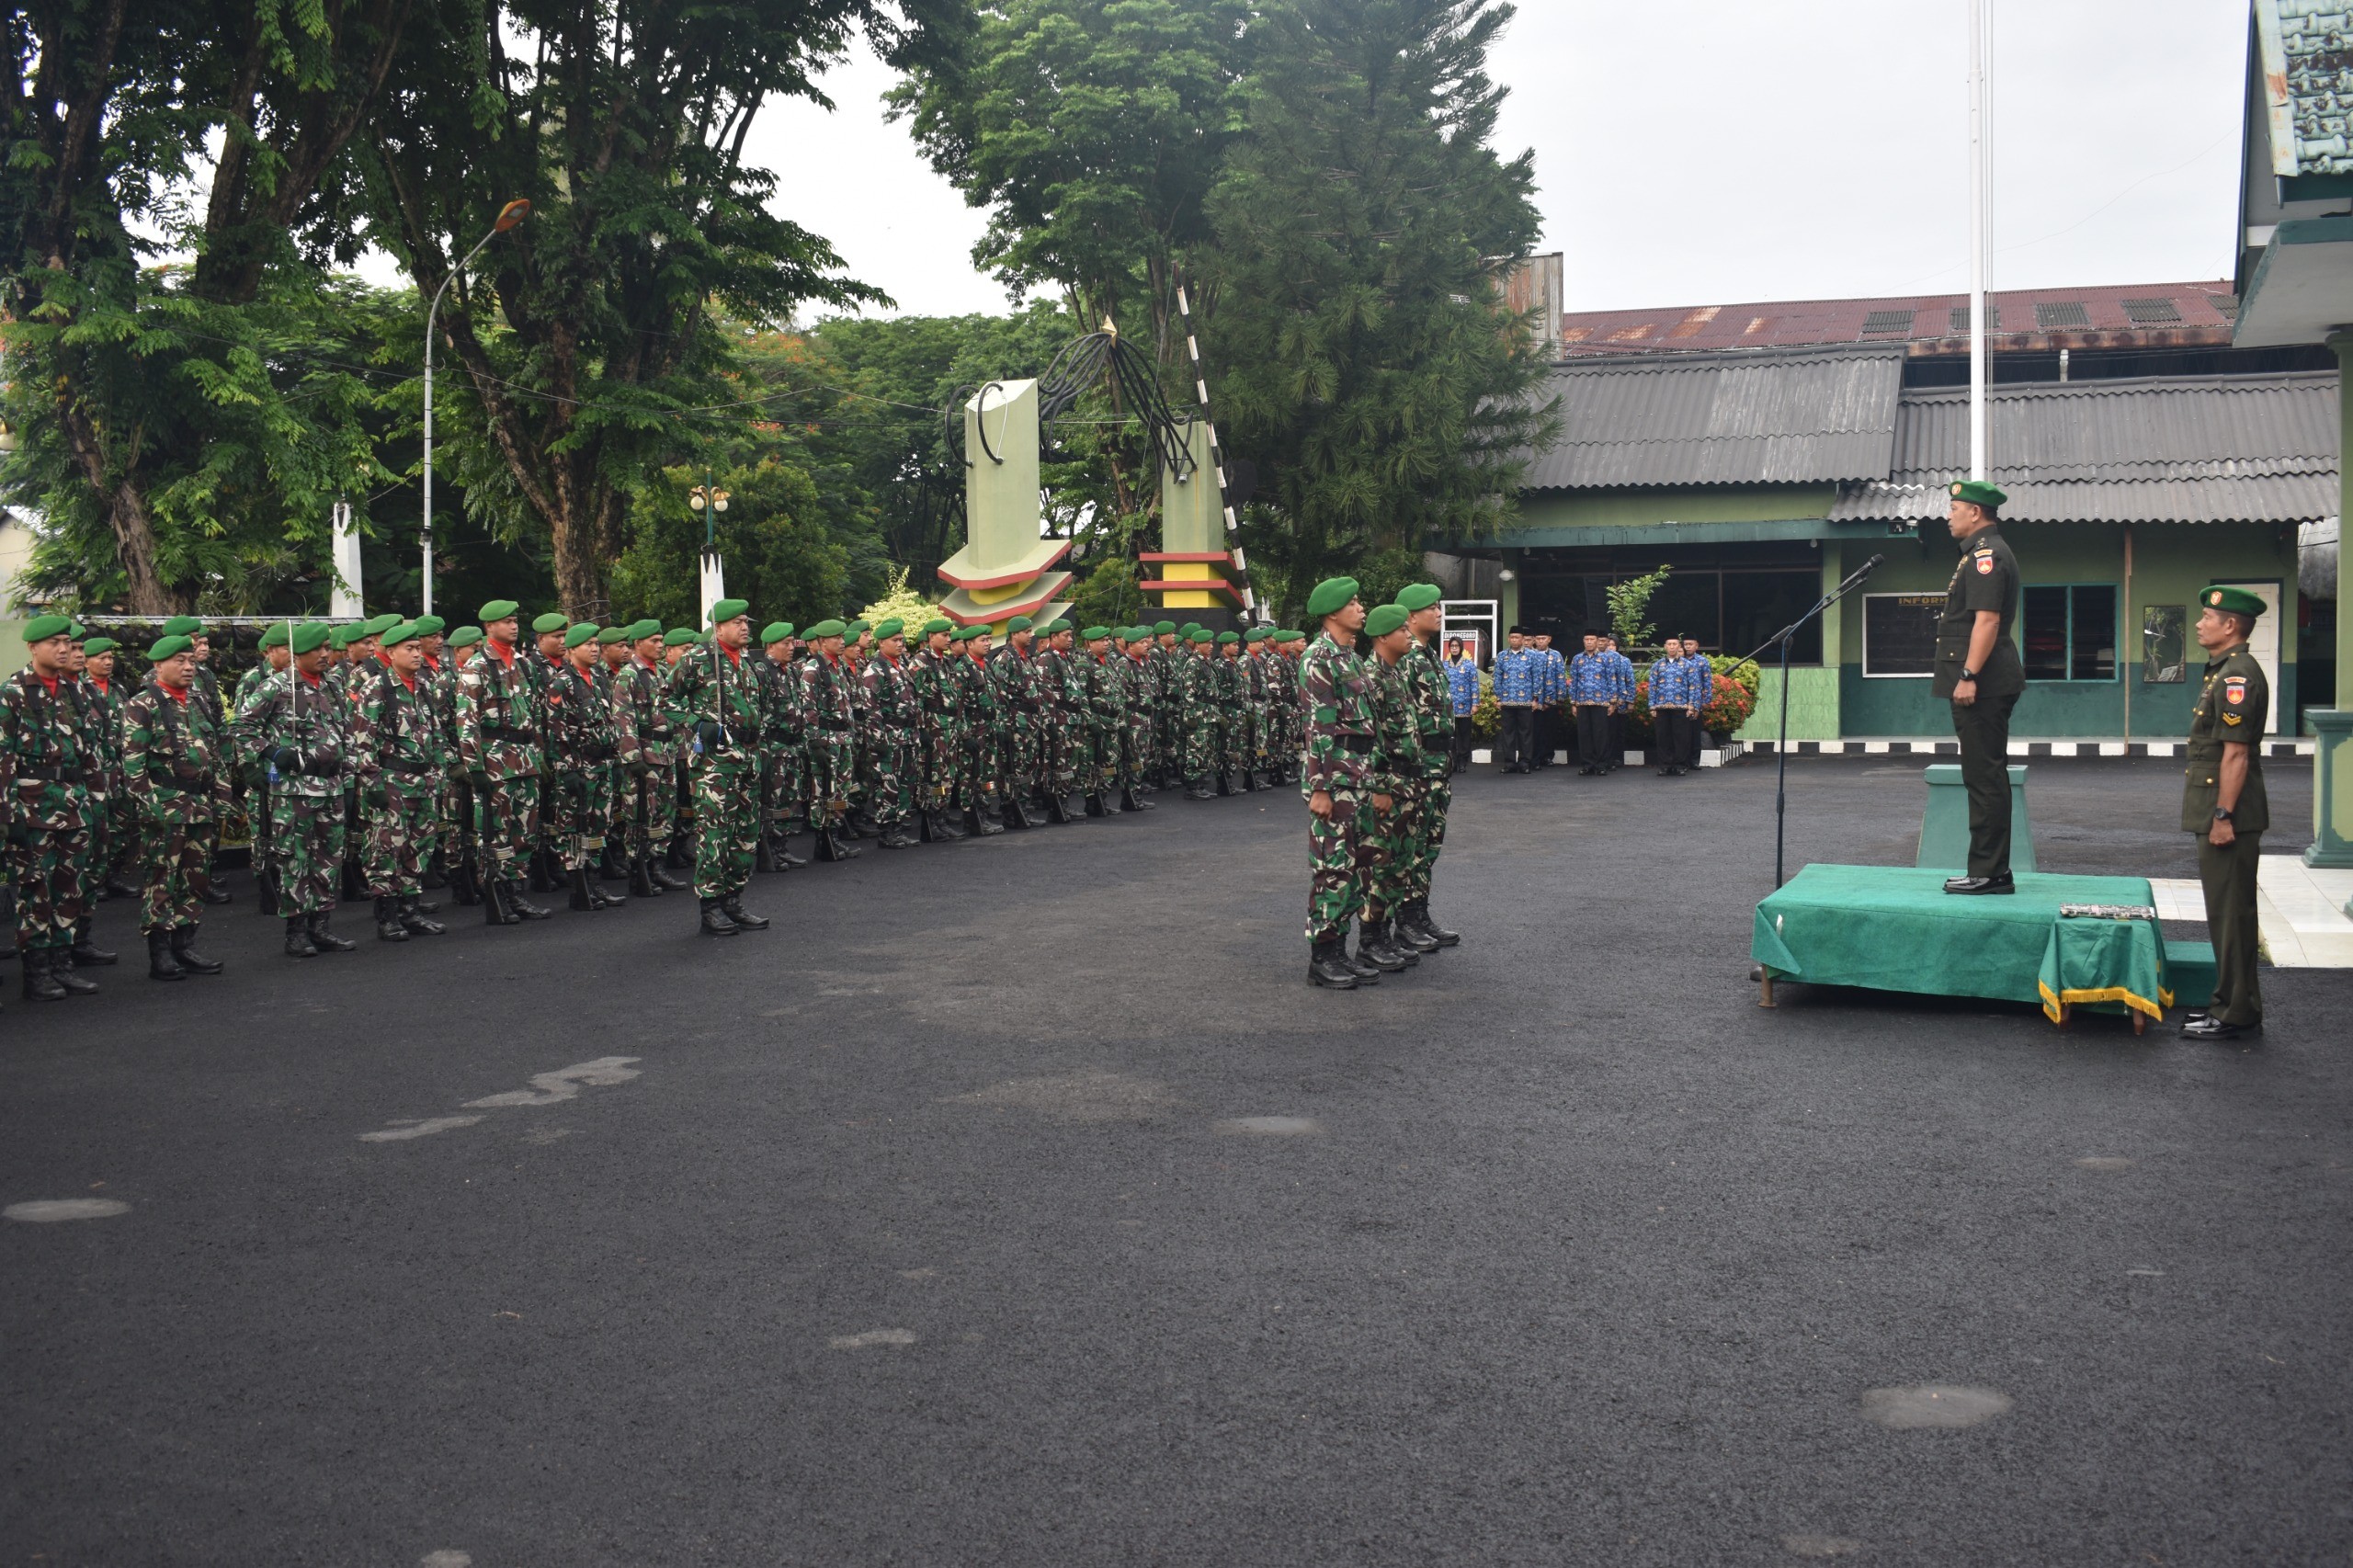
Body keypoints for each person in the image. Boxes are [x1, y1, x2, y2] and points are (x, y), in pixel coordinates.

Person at [2180, 586, 2271, 1040]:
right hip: (2220, 807)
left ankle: (2235, 1012)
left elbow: (2234, 755)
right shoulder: (2222, 672)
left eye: (2207, 617)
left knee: (2232, 914)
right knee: (2224, 912)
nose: (2200, 624)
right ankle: (2230, 1003)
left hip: (2228, 812)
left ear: (2230, 625)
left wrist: (2222, 816)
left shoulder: (2237, 676)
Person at [235, 621, 358, 957]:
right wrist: (271, 753)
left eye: (325, 648)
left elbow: (346, 734)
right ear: (298, 653)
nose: (323, 655)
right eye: (315, 650)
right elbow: (241, 726)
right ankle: (296, 931)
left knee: (329, 858)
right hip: (295, 789)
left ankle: (321, 926)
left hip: (330, 784)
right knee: (296, 860)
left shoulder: (333, 686)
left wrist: (349, 780)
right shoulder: (276, 686)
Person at [2, 615, 101, 999]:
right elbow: (3, 758)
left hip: (74, 806)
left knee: (69, 889)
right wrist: (8, 817)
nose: (63, 649)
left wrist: (95, 801)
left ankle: (63, 964)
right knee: (35, 892)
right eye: (54, 643)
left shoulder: (73, 690)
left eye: (66, 642)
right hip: (33, 810)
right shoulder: (12, 692)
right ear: (32, 647)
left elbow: (87, 751)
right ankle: (37, 972)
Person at [119, 633, 229, 980]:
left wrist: (223, 795)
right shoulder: (143, 704)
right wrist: (150, 808)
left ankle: (185, 945)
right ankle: (161, 953)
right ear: (158, 665)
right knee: (162, 879)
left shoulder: (193, 704)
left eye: (191, 661)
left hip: (199, 804)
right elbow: (133, 765)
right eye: (179, 661)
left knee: (195, 879)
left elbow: (213, 753)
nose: (187, 667)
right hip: (166, 807)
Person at [1934, 479, 2026, 894]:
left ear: (1975, 512)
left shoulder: (1987, 555)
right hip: (1983, 682)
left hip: (1983, 684)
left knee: (1985, 776)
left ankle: (1990, 872)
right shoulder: (1979, 553)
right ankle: (1989, 869)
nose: (1948, 516)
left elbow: (1986, 621)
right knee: (1982, 774)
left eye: (1954, 509)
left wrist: (1968, 676)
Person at [1300, 577, 1386, 988]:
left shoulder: (1349, 656)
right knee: (1332, 867)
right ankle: (1324, 954)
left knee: (1356, 866)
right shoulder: (1319, 657)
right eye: (1353, 603)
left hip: (1359, 777)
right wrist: (1319, 786)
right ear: (1333, 613)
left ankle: (1341, 949)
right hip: (1335, 780)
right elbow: (1318, 726)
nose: (1361, 608)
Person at [666, 598, 767, 934]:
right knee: (715, 835)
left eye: (746, 622)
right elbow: (664, 699)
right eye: (737, 622)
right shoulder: (699, 659)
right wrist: (696, 724)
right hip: (715, 763)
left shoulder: (746, 663)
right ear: (718, 627)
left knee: (745, 835)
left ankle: (733, 900)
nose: (744, 627)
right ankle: (710, 906)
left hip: (747, 757)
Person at [348, 620, 451, 939]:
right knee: (385, 851)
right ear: (390, 652)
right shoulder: (376, 688)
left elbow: (435, 734)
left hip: (424, 782)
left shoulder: (423, 686)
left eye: (418, 647)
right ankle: (387, 916)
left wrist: (441, 772)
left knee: (418, 848)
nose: (417, 653)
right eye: (409, 649)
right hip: (392, 782)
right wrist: (372, 783)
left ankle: (411, 909)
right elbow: (361, 741)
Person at [454, 600, 553, 926]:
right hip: (496, 761)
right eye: (507, 621)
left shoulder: (522, 664)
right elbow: (466, 720)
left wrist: (540, 755)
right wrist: (475, 768)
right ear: (489, 627)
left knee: (525, 830)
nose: (514, 626)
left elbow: (536, 714)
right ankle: (496, 892)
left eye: (515, 620)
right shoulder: (477, 666)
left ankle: (516, 892)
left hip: (525, 759)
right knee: (497, 830)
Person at [1357, 603, 1423, 972]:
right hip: (1387, 787)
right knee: (1380, 863)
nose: (1409, 636)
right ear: (1383, 637)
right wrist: (1380, 787)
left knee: (1399, 864)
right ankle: (1370, 939)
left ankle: (1383, 934)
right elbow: (1369, 741)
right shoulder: (1372, 678)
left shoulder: (1395, 673)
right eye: (1402, 631)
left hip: (1406, 784)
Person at [1395, 585, 1461, 949]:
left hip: (1439, 766)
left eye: (1438, 607)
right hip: (1418, 768)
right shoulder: (1405, 659)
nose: (1438, 613)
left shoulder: (1430, 656)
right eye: (1430, 608)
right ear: (1410, 617)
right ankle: (1405, 920)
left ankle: (1420, 914)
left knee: (1429, 846)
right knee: (1411, 847)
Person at [545, 622, 626, 912]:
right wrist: (566, 770)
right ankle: (578, 884)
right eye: (587, 645)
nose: (594, 649)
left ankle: (593, 879)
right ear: (571, 650)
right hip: (580, 766)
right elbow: (557, 731)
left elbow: (610, 722)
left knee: (599, 826)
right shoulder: (561, 682)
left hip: (602, 763)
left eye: (595, 644)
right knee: (573, 827)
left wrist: (615, 759)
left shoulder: (599, 678)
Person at [615, 620, 688, 895]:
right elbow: (623, 718)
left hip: (666, 753)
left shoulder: (664, 673)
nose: (660, 645)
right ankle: (638, 868)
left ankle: (657, 864)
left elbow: (675, 715)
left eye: (661, 641)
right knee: (640, 814)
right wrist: (632, 757)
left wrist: (680, 754)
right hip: (645, 755)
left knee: (664, 814)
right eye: (654, 641)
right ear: (638, 644)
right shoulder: (629, 675)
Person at [797, 619, 862, 859]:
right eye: (836, 637)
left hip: (843, 738)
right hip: (826, 740)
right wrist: (814, 743)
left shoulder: (839, 666)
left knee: (841, 790)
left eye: (843, 636)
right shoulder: (813, 668)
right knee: (823, 790)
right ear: (823, 641)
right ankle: (822, 836)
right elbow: (807, 708)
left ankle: (834, 834)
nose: (842, 641)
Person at [858, 617, 920, 848]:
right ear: (881, 643)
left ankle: (898, 826)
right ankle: (887, 830)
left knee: (906, 783)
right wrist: (878, 740)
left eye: (902, 640)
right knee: (888, 785)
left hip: (906, 735)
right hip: (889, 737)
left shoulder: (900, 666)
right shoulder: (875, 670)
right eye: (895, 640)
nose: (900, 644)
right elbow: (870, 709)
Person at [910, 618, 969, 841]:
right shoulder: (921, 662)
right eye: (944, 635)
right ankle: (931, 820)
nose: (948, 639)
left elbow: (955, 698)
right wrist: (922, 729)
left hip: (949, 727)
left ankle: (941, 819)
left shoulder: (946, 662)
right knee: (932, 776)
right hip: (933, 729)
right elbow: (916, 699)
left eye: (948, 635)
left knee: (947, 775)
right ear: (930, 637)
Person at [1492, 627, 1540, 772]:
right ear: (1508, 639)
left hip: (1525, 701)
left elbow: (1536, 677)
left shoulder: (1532, 655)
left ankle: (1525, 763)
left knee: (1525, 734)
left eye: (1517, 637)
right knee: (1508, 734)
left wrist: (1535, 699)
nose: (1514, 640)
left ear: (1523, 639)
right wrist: (1498, 698)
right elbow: (1497, 678)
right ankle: (1509, 763)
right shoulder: (1502, 656)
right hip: (1507, 701)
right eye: (1512, 637)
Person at [1567, 631, 1614, 775]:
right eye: (1586, 639)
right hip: (1581, 702)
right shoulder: (1577, 659)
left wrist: (1612, 702)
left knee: (1600, 734)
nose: (1589, 642)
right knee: (1584, 734)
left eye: (1592, 639)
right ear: (1583, 641)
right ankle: (1588, 764)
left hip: (1601, 702)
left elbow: (1611, 680)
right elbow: (1573, 681)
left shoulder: (1606, 659)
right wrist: (1573, 703)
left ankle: (1601, 764)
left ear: (1597, 641)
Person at [1444, 636, 1480, 774]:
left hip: (1465, 705)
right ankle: (1452, 761)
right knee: (1450, 735)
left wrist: (1475, 704)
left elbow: (1474, 685)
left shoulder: (1469, 665)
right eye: (1452, 646)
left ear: (1461, 647)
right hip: (1449, 707)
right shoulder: (1444, 665)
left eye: (1456, 646)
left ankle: (1463, 761)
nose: (1454, 648)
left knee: (1464, 735)